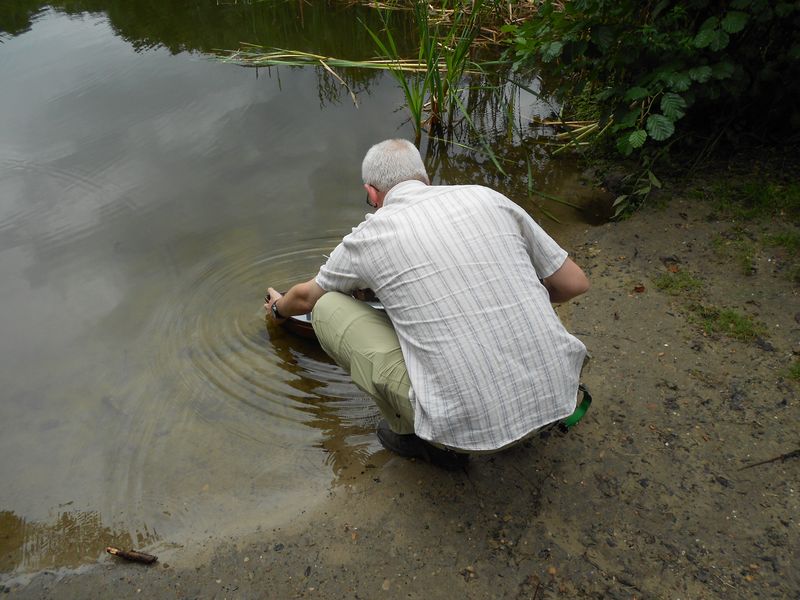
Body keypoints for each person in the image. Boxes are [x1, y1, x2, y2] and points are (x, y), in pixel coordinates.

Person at [265, 139, 589, 470]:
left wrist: (278, 310)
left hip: (465, 434)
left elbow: (305, 298)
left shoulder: (369, 235)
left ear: (373, 194)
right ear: (425, 180)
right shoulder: (488, 198)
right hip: (559, 396)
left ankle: (412, 436)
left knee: (328, 306)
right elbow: (574, 283)